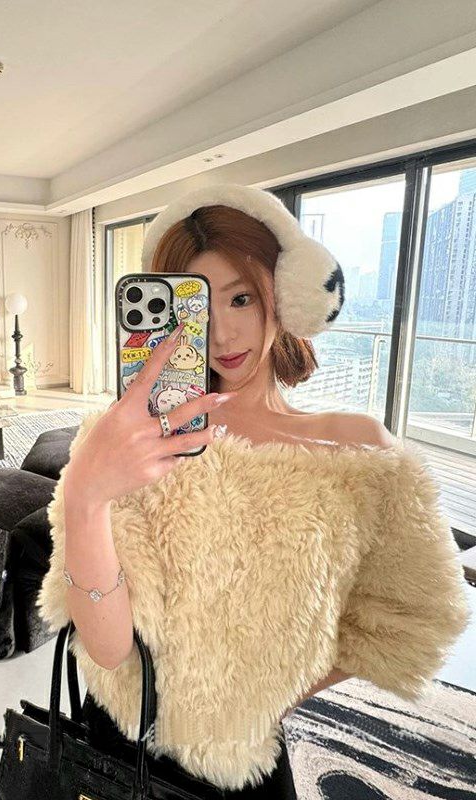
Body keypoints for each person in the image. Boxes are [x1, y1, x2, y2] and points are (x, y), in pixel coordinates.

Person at [37, 183, 470, 798]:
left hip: (247, 763)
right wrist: (85, 494)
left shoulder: (355, 453)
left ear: (285, 296)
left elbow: (410, 618)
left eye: (241, 298)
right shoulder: (129, 443)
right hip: (119, 750)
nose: (221, 335)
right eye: (197, 309)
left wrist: (263, 694)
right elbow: (108, 650)